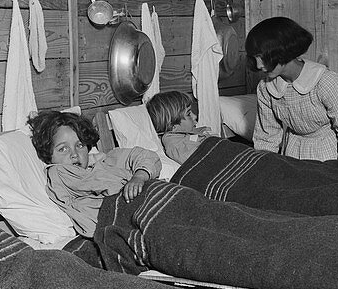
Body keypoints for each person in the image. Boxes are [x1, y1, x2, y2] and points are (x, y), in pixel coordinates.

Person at [245, 16, 338, 161]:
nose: (258, 65)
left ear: (281, 51)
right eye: (254, 58)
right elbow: (267, 138)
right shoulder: (265, 89)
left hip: (336, 148)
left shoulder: (325, 82)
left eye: (262, 57)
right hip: (295, 149)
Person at [27, 110, 162, 238]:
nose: (74, 154)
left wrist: (140, 176)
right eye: (63, 149)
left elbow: (148, 156)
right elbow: (107, 189)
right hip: (131, 215)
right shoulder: (59, 173)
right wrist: (131, 181)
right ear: (48, 155)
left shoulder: (106, 160)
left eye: (80, 145)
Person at [145, 91, 215, 164]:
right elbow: (200, 160)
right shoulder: (174, 144)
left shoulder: (183, 133)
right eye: (188, 114)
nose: (195, 116)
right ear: (173, 127)